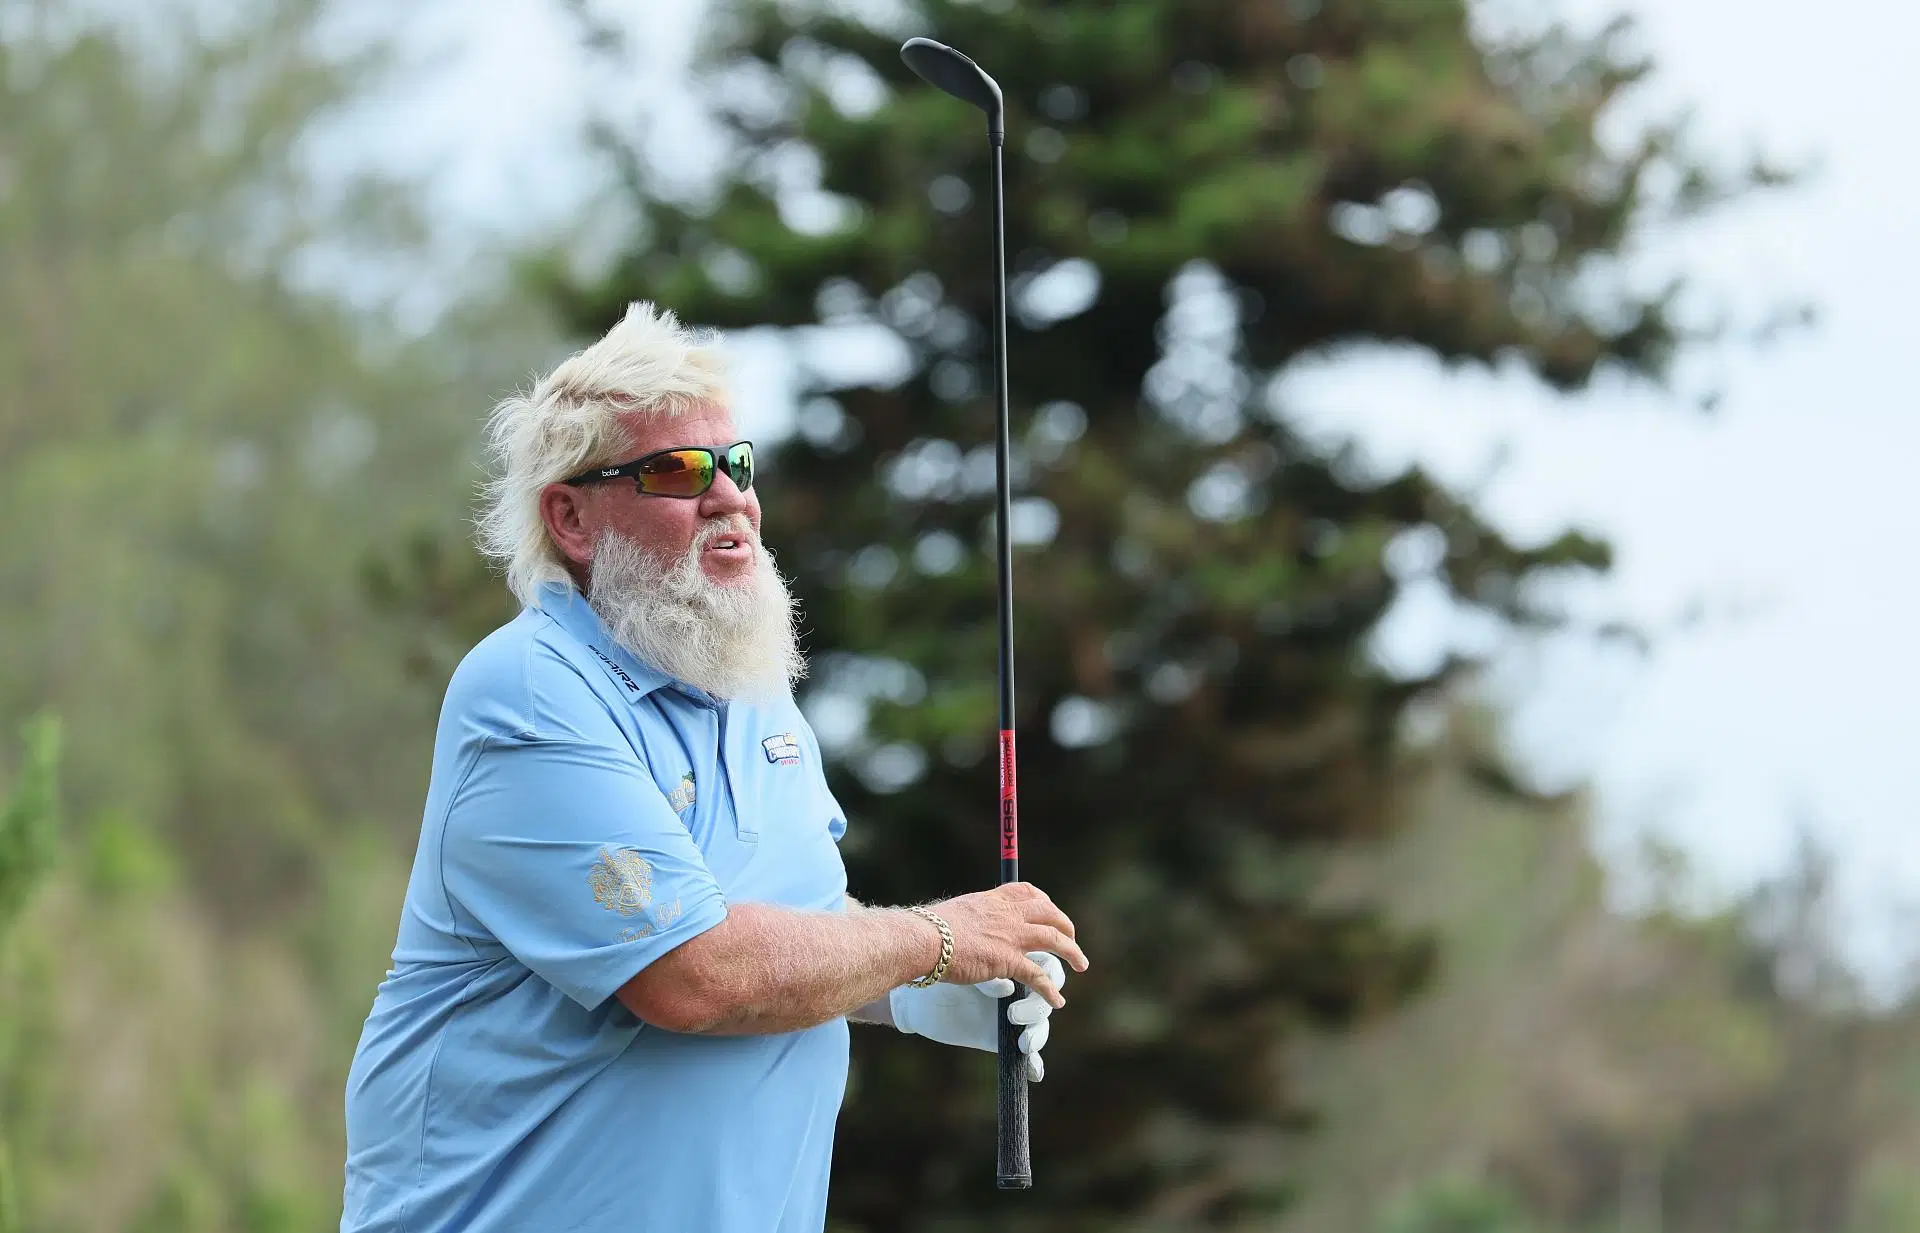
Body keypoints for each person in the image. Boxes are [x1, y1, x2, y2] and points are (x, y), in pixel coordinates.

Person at [340, 302, 1089, 1233]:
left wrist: (914, 990)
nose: (727, 494)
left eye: (736, 464)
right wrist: (935, 938)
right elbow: (691, 971)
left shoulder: (753, 689)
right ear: (571, 517)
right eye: (675, 470)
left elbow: (788, 918)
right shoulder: (529, 691)